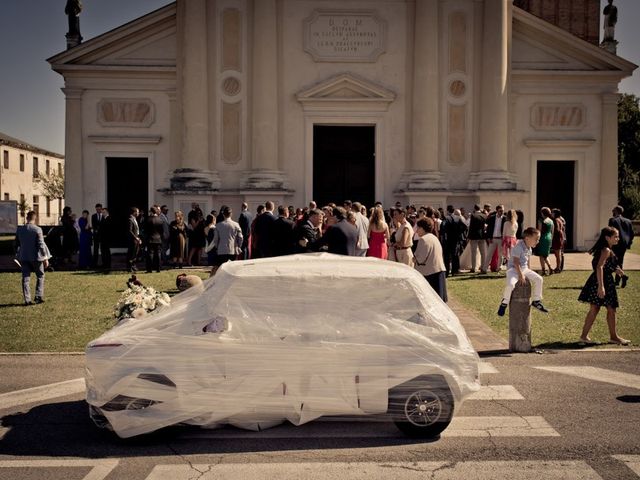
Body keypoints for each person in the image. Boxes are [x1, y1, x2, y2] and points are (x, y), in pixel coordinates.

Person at [578, 226, 630, 345]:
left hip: (601, 280)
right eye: (615, 236)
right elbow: (599, 267)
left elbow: (604, 265)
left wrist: (616, 270)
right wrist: (601, 286)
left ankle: (609, 337)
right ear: (607, 238)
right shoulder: (606, 250)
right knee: (602, 309)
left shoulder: (607, 249)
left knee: (605, 309)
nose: (618, 238)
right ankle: (587, 337)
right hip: (602, 281)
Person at [497, 227, 549, 317]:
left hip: (524, 269)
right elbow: (516, 262)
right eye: (536, 239)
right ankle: (504, 302)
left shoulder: (529, 248)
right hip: (513, 270)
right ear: (527, 238)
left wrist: (529, 272)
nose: (538, 241)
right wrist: (521, 275)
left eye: (538, 239)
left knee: (539, 279)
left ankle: (536, 301)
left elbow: (527, 261)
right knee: (510, 284)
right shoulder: (518, 246)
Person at [15, 211, 50, 305]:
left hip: (24, 257)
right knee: (40, 276)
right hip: (36, 257)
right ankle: (38, 296)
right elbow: (41, 245)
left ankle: (27, 299)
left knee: (25, 278)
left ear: (27, 218)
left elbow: (16, 244)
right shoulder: (37, 229)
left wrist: (16, 256)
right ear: (35, 218)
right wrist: (45, 258)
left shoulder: (20, 229)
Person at [414, 218, 448, 302]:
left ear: (422, 228)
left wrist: (414, 258)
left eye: (418, 228)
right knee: (439, 302)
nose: (416, 231)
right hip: (439, 271)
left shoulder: (423, 239)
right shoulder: (434, 237)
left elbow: (420, 259)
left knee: (431, 302)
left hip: (430, 274)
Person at [212, 206, 243, 273]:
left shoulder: (218, 225)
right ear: (231, 214)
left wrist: (217, 247)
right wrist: (238, 246)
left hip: (221, 250)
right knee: (232, 270)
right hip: (233, 250)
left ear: (223, 214)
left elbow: (216, 239)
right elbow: (240, 237)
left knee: (222, 270)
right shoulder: (236, 225)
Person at [608, 205, 634, 285]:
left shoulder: (612, 220)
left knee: (611, 261)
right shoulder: (628, 221)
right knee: (620, 261)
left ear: (616, 211)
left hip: (615, 244)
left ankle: (617, 279)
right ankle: (618, 280)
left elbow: (610, 232)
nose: (612, 212)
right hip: (624, 245)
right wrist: (628, 243)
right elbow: (632, 234)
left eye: (613, 210)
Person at [483, 205, 505, 273]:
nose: (502, 212)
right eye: (500, 211)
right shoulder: (492, 218)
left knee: (500, 255)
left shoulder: (505, 219)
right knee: (489, 254)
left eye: (503, 211)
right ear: (497, 211)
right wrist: (488, 237)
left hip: (501, 239)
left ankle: (498, 268)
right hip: (493, 239)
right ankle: (484, 269)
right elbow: (487, 228)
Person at [468, 204, 487, 273]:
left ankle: (474, 268)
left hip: (474, 236)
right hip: (482, 236)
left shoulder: (473, 215)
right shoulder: (484, 216)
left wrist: (469, 236)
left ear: (474, 208)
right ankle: (483, 267)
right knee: (483, 253)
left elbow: (471, 227)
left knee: (474, 253)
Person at [145, 206, 164, 273]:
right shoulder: (160, 220)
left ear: (151, 211)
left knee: (150, 254)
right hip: (158, 239)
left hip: (150, 238)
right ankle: (158, 269)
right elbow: (162, 231)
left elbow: (146, 230)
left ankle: (149, 269)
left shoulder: (148, 219)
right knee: (158, 254)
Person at [537, 207, 554, 275]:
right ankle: (550, 268)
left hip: (543, 238)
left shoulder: (541, 221)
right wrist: (551, 240)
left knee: (541, 255)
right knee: (546, 255)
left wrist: (537, 239)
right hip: (549, 237)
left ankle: (543, 270)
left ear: (542, 213)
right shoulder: (551, 221)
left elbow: (539, 230)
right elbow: (552, 232)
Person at [127, 207, 141, 273]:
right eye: (137, 212)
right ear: (134, 212)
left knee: (135, 253)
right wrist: (135, 238)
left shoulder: (135, 219)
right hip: (133, 239)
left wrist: (139, 238)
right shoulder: (130, 219)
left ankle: (133, 265)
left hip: (137, 238)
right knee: (131, 253)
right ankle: (129, 267)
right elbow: (130, 231)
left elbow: (136, 230)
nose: (138, 213)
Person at [551, 208, 566, 273]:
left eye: (552, 212)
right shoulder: (560, 219)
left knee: (557, 254)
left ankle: (558, 267)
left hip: (557, 238)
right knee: (558, 254)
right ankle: (558, 267)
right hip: (560, 238)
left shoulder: (556, 220)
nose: (551, 213)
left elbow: (557, 229)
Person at [90, 203, 104, 268]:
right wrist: (95, 230)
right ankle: (94, 264)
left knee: (103, 250)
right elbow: (93, 225)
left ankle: (104, 263)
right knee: (95, 250)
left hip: (102, 236)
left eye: (99, 209)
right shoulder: (93, 216)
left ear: (101, 209)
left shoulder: (104, 216)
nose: (98, 210)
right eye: (97, 209)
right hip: (96, 236)